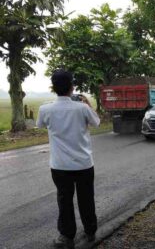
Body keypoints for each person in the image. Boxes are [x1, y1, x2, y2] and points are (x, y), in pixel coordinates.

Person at [37, 69, 100, 249]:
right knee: (86, 198)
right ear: (72, 87)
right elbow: (96, 123)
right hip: (84, 164)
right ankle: (90, 232)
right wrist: (87, 103)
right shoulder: (82, 108)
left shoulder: (45, 109)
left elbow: (40, 124)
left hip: (59, 166)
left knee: (64, 200)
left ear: (53, 87)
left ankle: (66, 236)